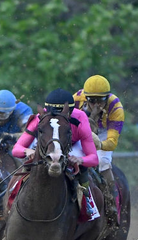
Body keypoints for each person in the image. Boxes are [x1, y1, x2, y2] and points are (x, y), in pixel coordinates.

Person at [12, 88, 100, 220]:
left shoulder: (80, 118)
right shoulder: (39, 118)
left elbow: (94, 158)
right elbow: (16, 149)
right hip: (48, 144)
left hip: (72, 145)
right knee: (27, 166)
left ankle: (88, 203)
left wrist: (80, 160)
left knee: (82, 169)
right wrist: (27, 151)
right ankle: (12, 201)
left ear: (70, 112)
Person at [73, 75, 125, 221]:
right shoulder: (76, 100)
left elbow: (112, 142)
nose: (96, 104)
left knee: (102, 162)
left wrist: (99, 145)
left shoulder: (116, 107)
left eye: (101, 100)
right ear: (86, 97)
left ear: (107, 97)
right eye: (92, 100)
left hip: (103, 132)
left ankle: (111, 200)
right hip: (81, 130)